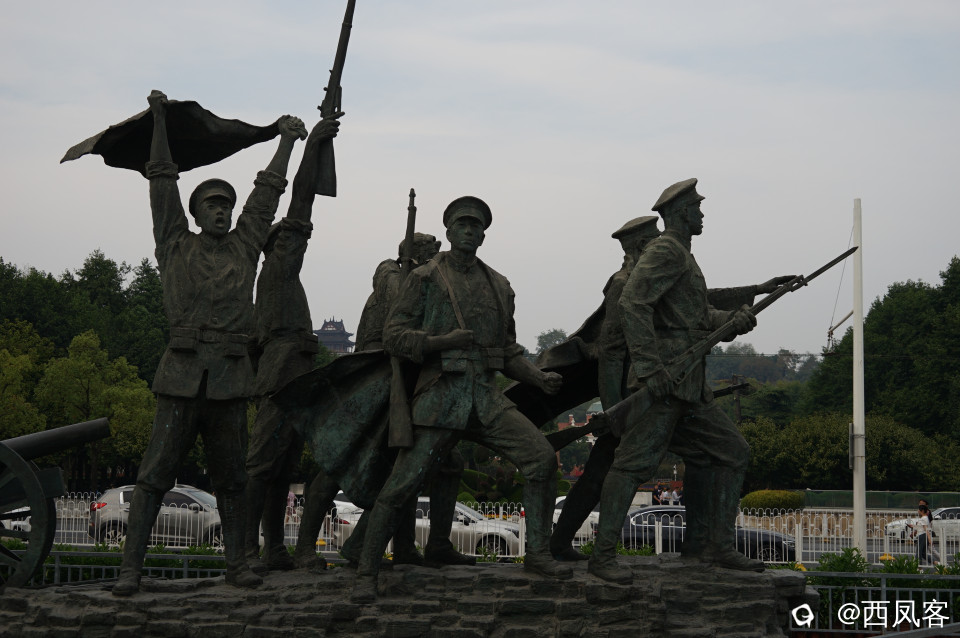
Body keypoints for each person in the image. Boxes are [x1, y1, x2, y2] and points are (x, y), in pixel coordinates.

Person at [113, 90, 307, 596]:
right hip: (180, 376)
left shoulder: (245, 247)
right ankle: (130, 570)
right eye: (211, 205)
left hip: (229, 378)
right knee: (153, 476)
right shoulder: (174, 243)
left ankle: (239, 564)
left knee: (233, 480)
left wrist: (285, 142)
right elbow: (162, 180)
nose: (221, 212)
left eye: (226, 205)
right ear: (196, 213)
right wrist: (159, 120)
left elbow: (267, 195)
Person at [351, 196, 572, 602]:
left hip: (485, 398)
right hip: (441, 394)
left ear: (483, 235)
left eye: (476, 226)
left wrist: (538, 378)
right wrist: (441, 341)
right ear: (449, 231)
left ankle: (539, 554)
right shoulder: (425, 278)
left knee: (541, 458)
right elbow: (393, 337)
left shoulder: (500, 286)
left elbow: (507, 352)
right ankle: (366, 570)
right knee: (401, 485)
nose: (469, 231)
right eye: (462, 225)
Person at [547, 215, 791, 561]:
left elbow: (698, 303)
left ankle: (701, 543)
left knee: (703, 456)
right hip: (637, 395)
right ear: (638, 247)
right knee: (600, 475)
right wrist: (615, 410)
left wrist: (757, 290)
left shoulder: (661, 279)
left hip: (670, 390)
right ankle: (565, 545)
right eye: (653, 242)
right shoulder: (623, 284)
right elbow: (611, 352)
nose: (659, 247)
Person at [588, 178, 763, 584]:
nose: (702, 214)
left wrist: (732, 319)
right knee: (632, 465)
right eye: (697, 208)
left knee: (729, 451)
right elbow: (633, 303)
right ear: (682, 213)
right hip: (664, 383)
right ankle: (603, 556)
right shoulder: (666, 250)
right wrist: (650, 368)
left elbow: (696, 318)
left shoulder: (683, 255)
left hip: (690, 386)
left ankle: (712, 545)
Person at [242, 116, 341, 573]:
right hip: (284, 381)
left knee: (280, 469)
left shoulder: (273, 283)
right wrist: (313, 146)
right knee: (263, 467)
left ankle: (274, 550)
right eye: (288, 238)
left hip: (287, 377)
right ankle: (250, 552)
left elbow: (251, 345)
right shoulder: (279, 271)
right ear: (276, 246)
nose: (298, 240)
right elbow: (301, 202)